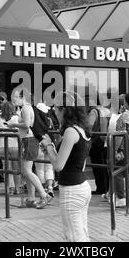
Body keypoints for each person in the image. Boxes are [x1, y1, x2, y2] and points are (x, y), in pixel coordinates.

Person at [40, 91, 92, 242]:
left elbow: (58, 165)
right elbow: (71, 160)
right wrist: (51, 150)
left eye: (56, 108)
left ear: (65, 109)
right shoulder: (80, 129)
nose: (54, 112)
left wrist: (49, 144)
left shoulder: (70, 131)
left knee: (74, 236)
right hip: (80, 186)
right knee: (80, 232)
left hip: (72, 189)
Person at [8, 88, 51, 209]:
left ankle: (43, 195)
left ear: (23, 97)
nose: (14, 99)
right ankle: (32, 198)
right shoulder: (26, 108)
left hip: (29, 140)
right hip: (28, 139)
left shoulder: (26, 108)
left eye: (16, 97)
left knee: (26, 171)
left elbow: (27, 124)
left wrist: (13, 125)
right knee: (27, 171)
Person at [0, 101, 21, 195]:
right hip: (14, 143)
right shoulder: (16, 118)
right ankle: (17, 188)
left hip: (2, 144)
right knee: (16, 167)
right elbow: (19, 131)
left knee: (6, 167)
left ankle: (9, 188)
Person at [87, 101, 110, 195]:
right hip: (106, 141)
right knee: (105, 165)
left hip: (96, 141)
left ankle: (101, 188)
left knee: (97, 166)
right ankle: (106, 188)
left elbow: (89, 126)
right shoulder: (108, 111)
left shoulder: (94, 112)